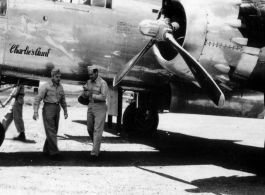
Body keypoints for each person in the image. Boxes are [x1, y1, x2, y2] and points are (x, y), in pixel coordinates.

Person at [33, 68, 68, 160]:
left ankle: (46, 150)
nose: (59, 78)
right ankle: (54, 153)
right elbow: (37, 99)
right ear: (52, 76)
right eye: (57, 77)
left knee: (53, 131)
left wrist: (65, 110)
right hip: (48, 108)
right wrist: (35, 111)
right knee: (51, 131)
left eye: (60, 77)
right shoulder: (46, 86)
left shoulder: (60, 87)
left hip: (57, 108)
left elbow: (63, 100)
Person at [82, 66, 108, 159]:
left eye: (92, 74)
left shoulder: (102, 83)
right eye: (89, 74)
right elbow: (84, 95)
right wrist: (84, 92)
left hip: (100, 106)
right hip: (90, 106)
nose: (90, 76)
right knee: (89, 128)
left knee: (97, 130)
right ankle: (96, 146)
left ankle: (94, 153)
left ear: (96, 73)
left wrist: (92, 94)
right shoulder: (88, 82)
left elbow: (103, 97)